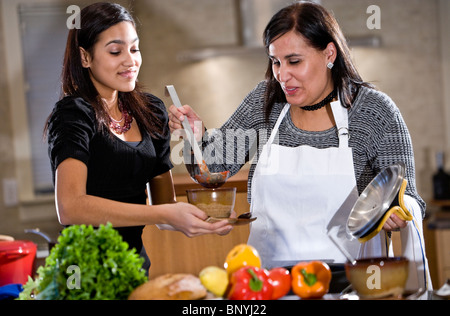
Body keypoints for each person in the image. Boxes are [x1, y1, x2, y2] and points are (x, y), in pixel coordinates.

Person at [169, 1, 431, 292]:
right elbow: (212, 170)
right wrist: (194, 137)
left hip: (351, 287)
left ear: (329, 54)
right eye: (275, 61)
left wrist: (396, 209)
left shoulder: (373, 111)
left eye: (294, 61)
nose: (282, 75)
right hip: (267, 284)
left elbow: (410, 200)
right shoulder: (265, 101)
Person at [45, 2, 232, 273]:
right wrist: (163, 213)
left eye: (134, 49)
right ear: (85, 57)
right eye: (115, 51)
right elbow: (71, 207)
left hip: (134, 269)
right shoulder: (73, 113)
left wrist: (208, 219)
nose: (130, 60)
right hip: (84, 273)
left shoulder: (151, 111)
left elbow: (165, 207)